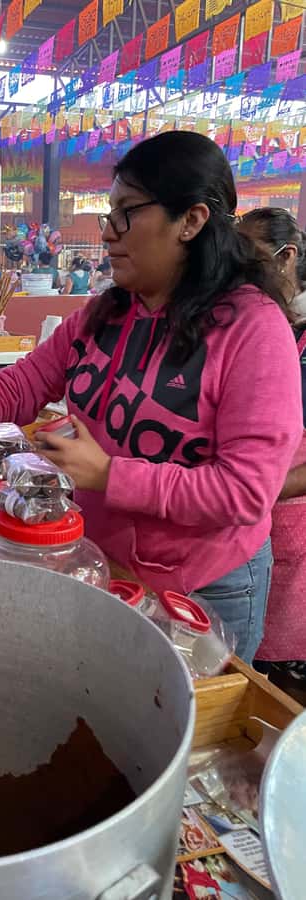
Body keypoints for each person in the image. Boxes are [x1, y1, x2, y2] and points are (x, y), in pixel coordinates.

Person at [0, 131, 302, 663]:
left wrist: (107, 474)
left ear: (190, 221)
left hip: (203, 588)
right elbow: (21, 385)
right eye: (109, 213)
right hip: (106, 563)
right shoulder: (110, 313)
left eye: (127, 213)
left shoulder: (252, 331)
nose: (107, 233)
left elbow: (244, 493)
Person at [238, 208, 306, 687]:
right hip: (259, 516)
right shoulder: (261, 324)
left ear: (288, 258)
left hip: (293, 514)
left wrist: (261, 487)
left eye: (252, 258)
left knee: (279, 679)